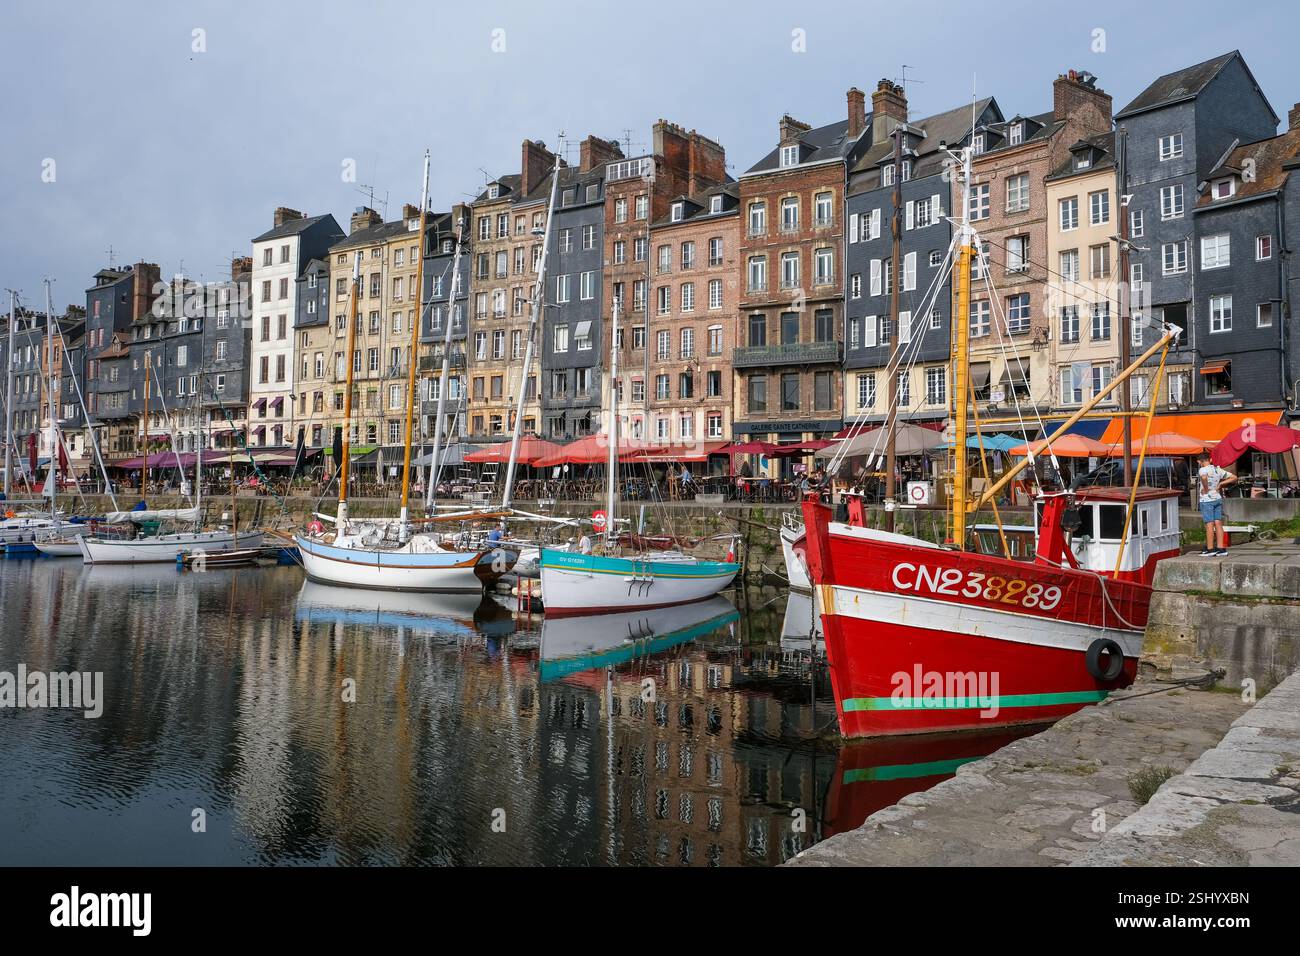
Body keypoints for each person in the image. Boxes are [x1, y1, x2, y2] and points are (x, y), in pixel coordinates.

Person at [1196, 450, 1237, 556]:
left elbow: (1204, 478)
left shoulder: (1202, 470)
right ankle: (1221, 548)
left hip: (1207, 500)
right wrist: (1221, 484)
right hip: (1217, 498)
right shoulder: (1217, 469)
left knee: (1209, 524)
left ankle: (1210, 549)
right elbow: (1234, 477)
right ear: (1210, 460)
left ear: (1199, 462)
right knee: (1218, 523)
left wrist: (1205, 488)